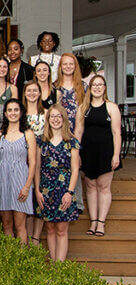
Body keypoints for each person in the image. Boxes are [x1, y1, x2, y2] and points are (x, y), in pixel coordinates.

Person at [75, 75, 121, 237]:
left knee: (103, 187)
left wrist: (116, 155)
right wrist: (76, 154)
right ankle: (93, 221)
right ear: (90, 88)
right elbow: (78, 131)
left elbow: (117, 133)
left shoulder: (112, 107)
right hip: (87, 152)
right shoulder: (83, 108)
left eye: (100, 85)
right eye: (94, 85)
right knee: (91, 187)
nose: (97, 87)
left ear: (105, 87)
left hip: (106, 152)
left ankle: (101, 222)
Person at [0, 98, 37, 243]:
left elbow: (33, 162)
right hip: (2, 181)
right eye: (9, 110)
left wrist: (27, 186)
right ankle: (9, 262)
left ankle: (21, 262)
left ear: (21, 112)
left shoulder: (28, 134)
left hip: (20, 180)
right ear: (5, 113)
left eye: (16, 110)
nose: (13, 113)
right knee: (7, 225)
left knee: (20, 225)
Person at [38, 105, 80, 262]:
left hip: (64, 189)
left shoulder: (71, 142)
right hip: (46, 189)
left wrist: (69, 192)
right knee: (49, 228)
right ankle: (54, 266)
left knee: (62, 229)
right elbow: (36, 167)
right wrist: (38, 191)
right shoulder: (41, 141)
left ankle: (59, 267)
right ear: (48, 120)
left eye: (58, 116)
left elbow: (75, 169)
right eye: (52, 116)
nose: (55, 119)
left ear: (64, 119)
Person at [55, 53, 85, 128]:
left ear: (75, 66)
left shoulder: (84, 86)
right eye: (65, 64)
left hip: (79, 129)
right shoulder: (54, 87)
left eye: (71, 64)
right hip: (59, 129)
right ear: (60, 67)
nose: (68, 66)